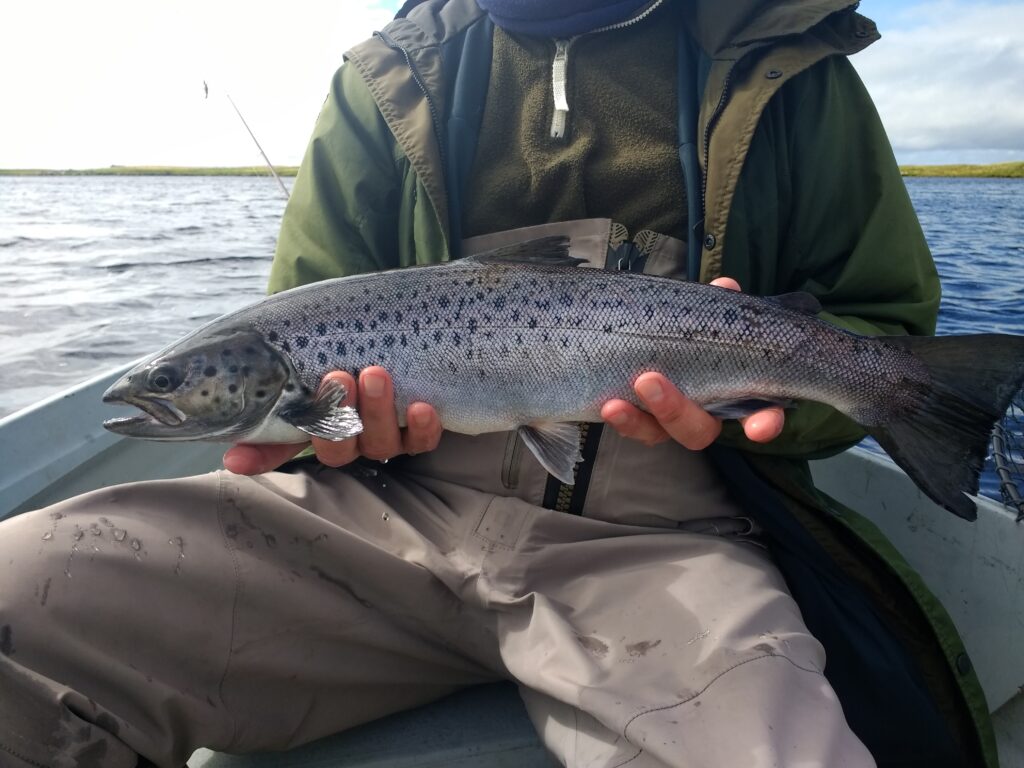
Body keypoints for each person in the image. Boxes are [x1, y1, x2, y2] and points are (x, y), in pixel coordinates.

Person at [0, 1, 997, 766]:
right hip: (377, 515)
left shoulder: (786, 59)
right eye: (173, 383)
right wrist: (329, 431)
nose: (166, 394)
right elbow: (299, 363)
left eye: (176, 382)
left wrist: (766, 413)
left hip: (669, 540)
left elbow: (882, 320)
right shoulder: (388, 77)